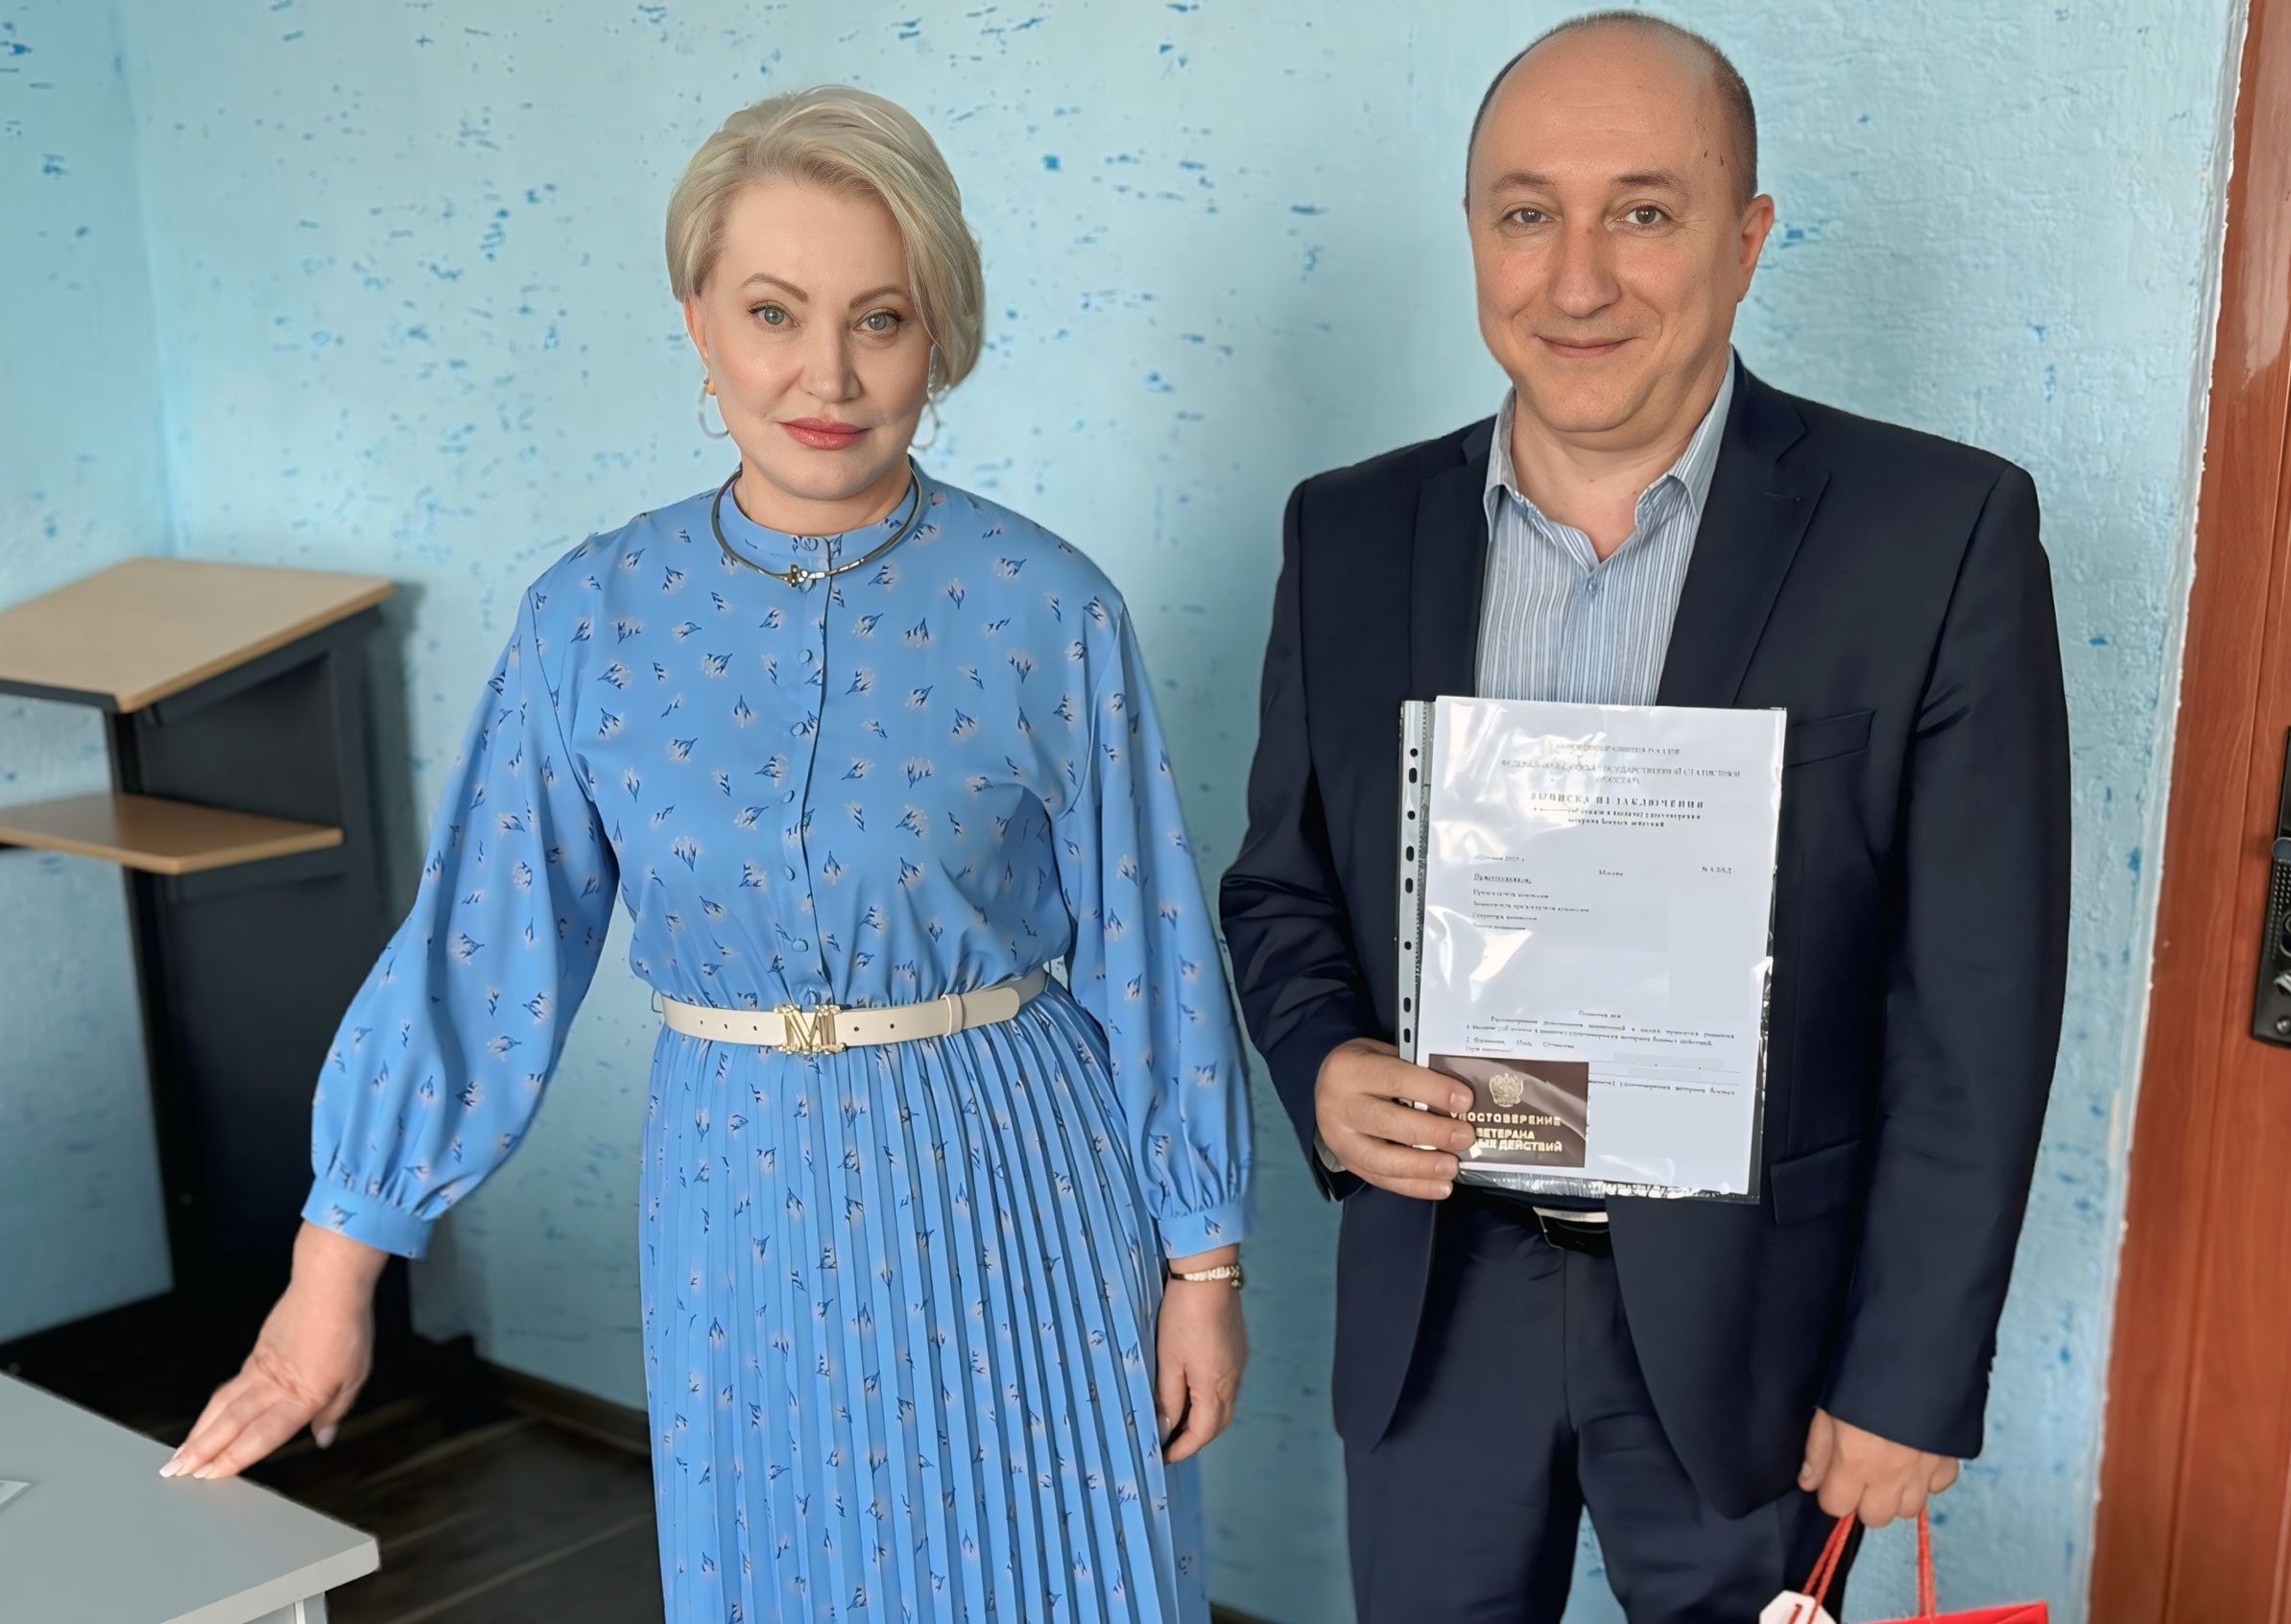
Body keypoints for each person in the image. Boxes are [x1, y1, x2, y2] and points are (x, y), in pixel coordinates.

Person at [162, 85, 1255, 1624]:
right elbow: (482, 951)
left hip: (1016, 1182)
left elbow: (1153, 947)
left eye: (880, 319)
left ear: (938, 334)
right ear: (696, 321)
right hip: (738, 1194)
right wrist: (330, 1276)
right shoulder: (586, 618)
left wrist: (1203, 1267)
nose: (827, 376)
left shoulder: (1045, 605)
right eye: (772, 312)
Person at [1218, 13, 2069, 1622]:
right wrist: (1322, 1063)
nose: (1576, 279)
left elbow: (1974, 998)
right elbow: (1282, 885)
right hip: (1438, 1299)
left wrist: (1907, 1376)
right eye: (1525, 212)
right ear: (1473, 232)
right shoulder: (1347, 531)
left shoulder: (1936, 532)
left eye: (1644, 211)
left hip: (1763, 1329)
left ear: (1745, 238)